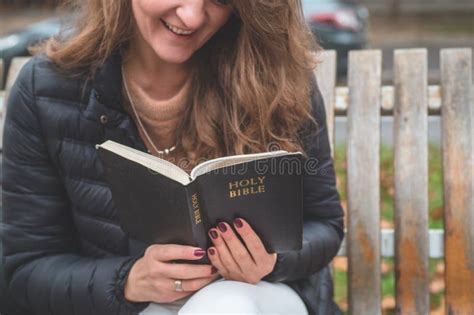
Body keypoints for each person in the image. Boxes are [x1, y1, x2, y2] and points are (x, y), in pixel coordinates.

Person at [1, 0, 345, 314]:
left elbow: (324, 224)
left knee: (227, 306)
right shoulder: (48, 88)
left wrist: (273, 259)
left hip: (260, 299)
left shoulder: (276, 79)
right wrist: (128, 281)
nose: (192, 16)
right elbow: (28, 267)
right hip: (129, 308)